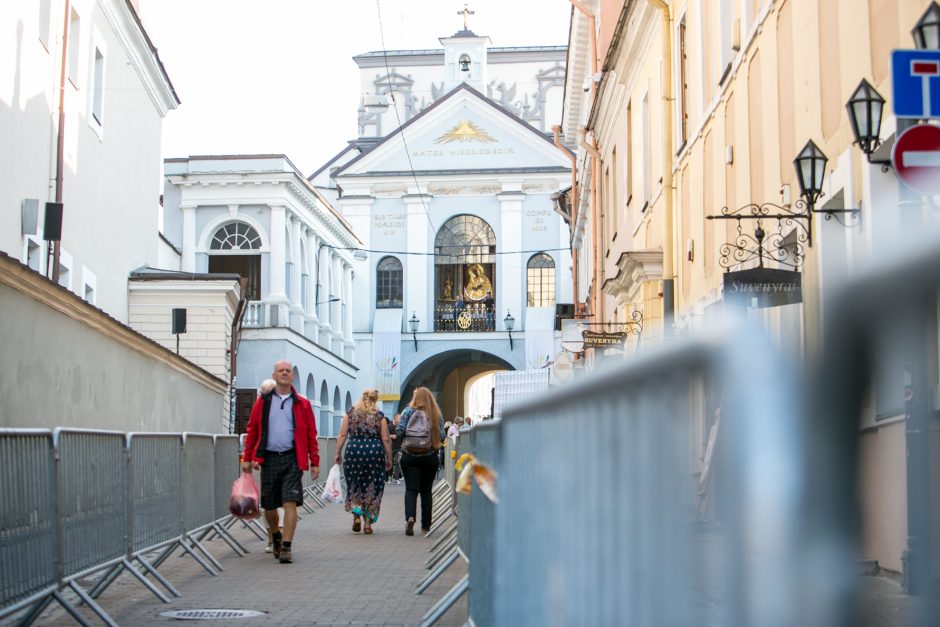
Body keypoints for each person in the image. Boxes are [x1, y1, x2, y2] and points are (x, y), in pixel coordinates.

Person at [242, 360, 319, 564]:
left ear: (292, 376)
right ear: (274, 375)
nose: (284, 373)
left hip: (292, 458)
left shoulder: (302, 403)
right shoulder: (263, 402)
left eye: (288, 371)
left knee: (289, 502)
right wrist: (247, 457)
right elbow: (253, 430)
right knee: (269, 505)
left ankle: (286, 546)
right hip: (268, 458)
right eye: (280, 371)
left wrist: (315, 460)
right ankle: (275, 534)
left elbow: (311, 433)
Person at [335, 389, 392, 534]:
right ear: (376, 400)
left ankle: (357, 516)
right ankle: (368, 523)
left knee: (354, 482)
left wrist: (337, 453)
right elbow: (385, 439)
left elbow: (342, 435)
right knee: (373, 484)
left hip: (354, 451)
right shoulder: (379, 417)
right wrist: (389, 458)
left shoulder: (350, 415)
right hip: (374, 452)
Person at [397, 387, 445, 535]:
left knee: (411, 489)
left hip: (409, 456)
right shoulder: (436, 414)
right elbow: (442, 435)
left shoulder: (407, 412)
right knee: (426, 491)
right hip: (429, 457)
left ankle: (410, 517)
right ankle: (426, 525)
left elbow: (400, 430)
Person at [390, 413, 403, 484]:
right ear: (395, 418)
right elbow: (384, 435)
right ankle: (388, 477)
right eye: (398, 418)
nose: (400, 419)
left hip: (398, 448)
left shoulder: (400, 427)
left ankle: (396, 478)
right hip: (391, 448)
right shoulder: (390, 426)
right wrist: (391, 436)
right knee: (390, 463)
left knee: (397, 463)